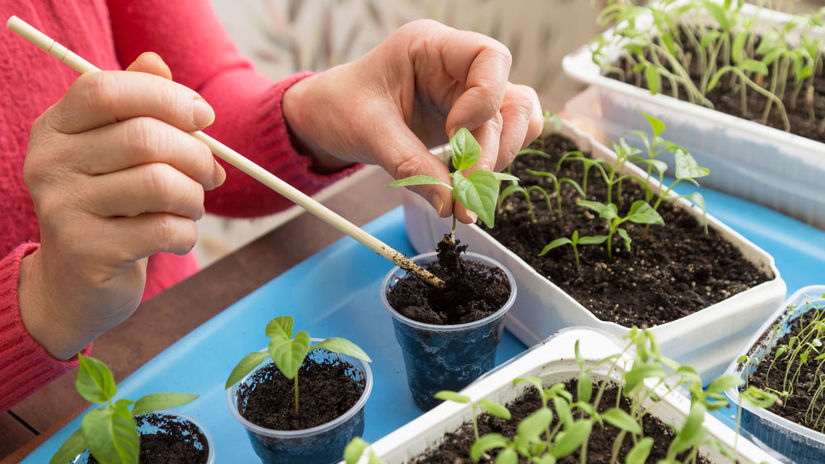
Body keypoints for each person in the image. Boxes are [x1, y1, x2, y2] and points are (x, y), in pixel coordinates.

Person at [0, 0, 542, 411]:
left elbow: (202, 94)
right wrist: (46, 301)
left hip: (174, 322)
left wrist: (315, 111)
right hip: (35, 413)